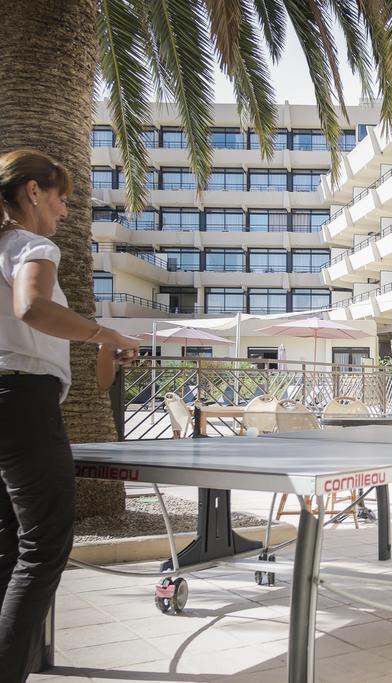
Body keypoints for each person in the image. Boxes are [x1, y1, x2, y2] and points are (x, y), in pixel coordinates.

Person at [0, 149, 139, 682]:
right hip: (24, 402)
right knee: (43, 547)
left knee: (10, 544)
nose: (62, 212)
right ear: (33, 192)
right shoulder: (33, 245)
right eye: (59, 199)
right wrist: (106, 333)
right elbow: (31, 307)